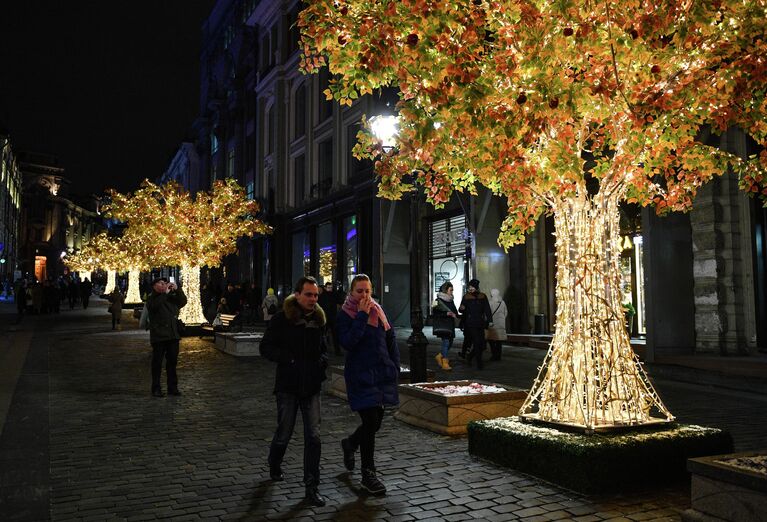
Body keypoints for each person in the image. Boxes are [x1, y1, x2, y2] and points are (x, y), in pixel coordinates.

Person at [259, 276, 328, 507]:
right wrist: (287, 359)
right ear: (297, 295)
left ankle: (311, 486)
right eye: (308, 294)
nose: (313, 299)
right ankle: (274, 461)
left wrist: (321, 362)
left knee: (314, 437)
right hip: (288, 386)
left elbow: (324, 349)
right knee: (284, 432)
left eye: (316, 295)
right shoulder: (282, 319)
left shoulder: (319, 320)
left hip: (311, 386)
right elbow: (265, 347)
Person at [337, 274, 399, 496]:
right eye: (359, 291)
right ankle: (368, 473)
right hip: (361, 375)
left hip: (381, 373)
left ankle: (351, 443)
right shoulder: (346, 314)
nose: (364, 295)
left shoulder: (379, 310)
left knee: (374, 424)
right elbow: (348, 343)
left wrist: (395, 366)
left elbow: (390, 338)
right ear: (351, 292)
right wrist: (361, 316)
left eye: (367, 291)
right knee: (370, 420)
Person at [145, 277, 187, 397]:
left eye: (165, 283)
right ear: (155, 286)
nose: (164, 285)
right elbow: (153, 306)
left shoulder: (170, 297)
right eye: (161, 283)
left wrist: (177, 290)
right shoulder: (152, 297)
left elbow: (182, 302)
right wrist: (165, 294)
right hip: (159, 336)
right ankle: (156, 388)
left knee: (172, 362)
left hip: (173, 335)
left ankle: (172, 387)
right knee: (157, 363)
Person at [458, 279, 493, 370]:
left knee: (482, 344)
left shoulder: (482, 296)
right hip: (470, 324)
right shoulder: (466, 297)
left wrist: (490, 320)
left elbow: (487, 309)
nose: (470, 288)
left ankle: (470, 357)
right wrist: (461, 308)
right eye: (469, 287)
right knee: (477, 342)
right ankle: (479, 363)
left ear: (476, 287)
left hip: (480, 323)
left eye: (472, 287)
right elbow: (461, 310)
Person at [432, 281, 459, 370]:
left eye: (452, 290)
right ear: (445, 290)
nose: (452, 292)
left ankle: (440, 356)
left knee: (450, 342)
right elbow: (434, 314)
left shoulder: (451, 300)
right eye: (450, 290)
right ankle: (445, 362)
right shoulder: (436, 301)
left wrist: (456, 314)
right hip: (443, 324)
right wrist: (446, 314)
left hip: (450, 325)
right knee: (446, 342)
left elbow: (455, 311)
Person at [318, 281, 342, 355]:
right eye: (328, 288)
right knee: (323, 334)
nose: (330, 289)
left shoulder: (332, 295)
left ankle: (336, 350)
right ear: (325, 288)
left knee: (334, 334)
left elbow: (340, 302)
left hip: (331, 317)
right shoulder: (323, 296)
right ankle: (324, 350)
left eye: (330, 288)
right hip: (326, 317)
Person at [486, 289, 508, 361]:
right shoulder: (503, 302)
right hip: (501, 324)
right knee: (499, 341)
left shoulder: (490, 302)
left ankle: (494, 355)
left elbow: (488, 313)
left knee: (491, 340)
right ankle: (498, 356)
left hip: (493, 324)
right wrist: (502, 319)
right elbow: (506, 312)